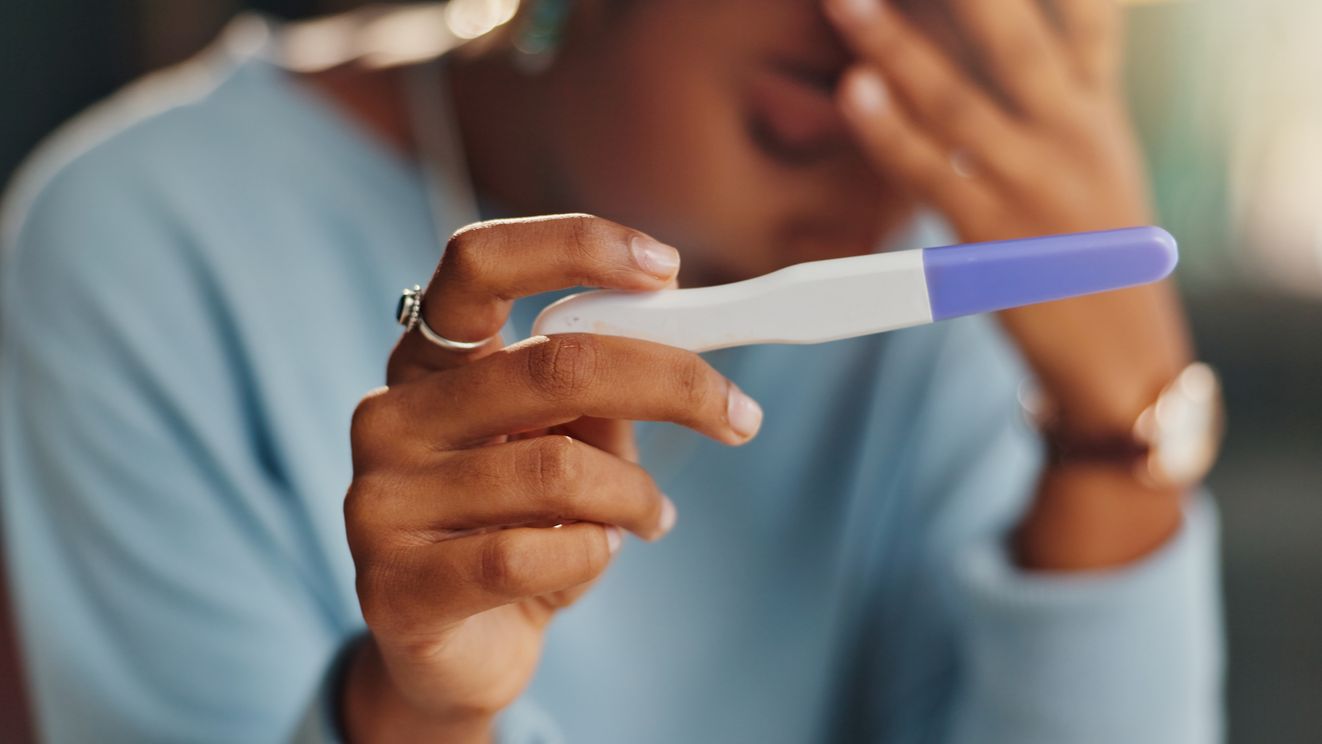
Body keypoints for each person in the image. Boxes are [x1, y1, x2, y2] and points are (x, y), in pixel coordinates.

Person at [0, 0, 1222, 742]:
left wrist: (1112, 432)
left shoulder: (972, 282)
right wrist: (421, 715)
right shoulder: (146, 239)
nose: (866, 26)